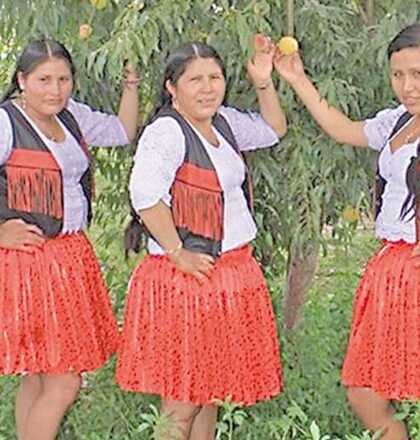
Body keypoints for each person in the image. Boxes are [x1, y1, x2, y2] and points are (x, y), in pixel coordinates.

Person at [275, 23, 420, 440]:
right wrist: (297, 78)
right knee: (367, 392)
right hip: (400, 270)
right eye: (398, 74)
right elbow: (344, 129)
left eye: (418, 74)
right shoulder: (400, 120)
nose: (407, 85)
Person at [0, 39, 139, 440]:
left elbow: (121, 131)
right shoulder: (0, 123)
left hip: (66, 256)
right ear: (22, 80)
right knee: (65, 381)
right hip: (26, 260)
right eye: (44, 80)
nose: (55, 90)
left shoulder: (70, 117)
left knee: (39, 374)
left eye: (64, 79)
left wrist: (132, 85)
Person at [115, 40, 287, 440]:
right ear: (172, 87)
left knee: (208, 392)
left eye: (215, 78)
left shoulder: (222, 122)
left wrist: (263, 83)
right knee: (181, 402)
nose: (208, 88)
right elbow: (145, 196)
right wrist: (177, 252)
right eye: (195, 80)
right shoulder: (166, 132)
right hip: (188, 280)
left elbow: (274, 129)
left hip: (228, 271)